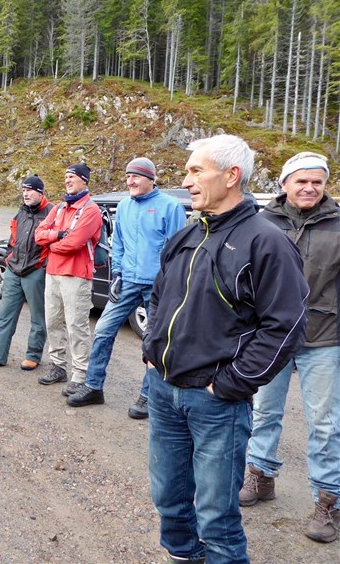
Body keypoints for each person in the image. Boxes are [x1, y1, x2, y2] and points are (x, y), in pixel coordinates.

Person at [143, 135, 309, 564]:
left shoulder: (265, 241)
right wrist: (150, 346)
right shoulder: (186, 234)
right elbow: (159, 294)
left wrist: (233, 383)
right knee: (170, 500)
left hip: (215, 401)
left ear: (232, 176)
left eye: (196, 171)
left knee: (216, 515)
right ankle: (183, 556)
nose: (186, 180)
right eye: (187, 172)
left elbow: (285, 325)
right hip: (163, 390)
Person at [239, 152, 340, 543]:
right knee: (264, 410)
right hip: (272, 335)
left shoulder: (337, 222)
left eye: (317, 181)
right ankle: (261, 476)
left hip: (324, 335)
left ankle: (328, 501)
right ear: (284, 184)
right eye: (301, 181)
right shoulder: (263, 222)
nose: (309, 188)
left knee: (326, 424)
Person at [66, 158, 185, 419]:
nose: (130, 181)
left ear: (151, 179)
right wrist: (117, 273)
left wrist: (168, 283)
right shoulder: (125, 206)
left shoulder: (170, 207)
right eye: (128, 176)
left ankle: (149, 396)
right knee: (103, 330)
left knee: (155, 341)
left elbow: (177, 250)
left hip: (157, 285)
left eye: (136, 177)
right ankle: (94, 386)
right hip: (128, 280)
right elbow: (117, 243)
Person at [33, 163, 102, 387]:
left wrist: (52, 245)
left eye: (72, 176)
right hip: (53, 273)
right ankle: (58, 366)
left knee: (76, 326)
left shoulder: (90, 210)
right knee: (53, 322)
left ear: (84, 180)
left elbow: (74, 243)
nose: (67, 180)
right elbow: (39, 234)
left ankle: (79, 375)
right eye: (65, 177)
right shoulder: (60, 207)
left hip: (76, 275)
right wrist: (58, 235)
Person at [0, 175, 53, 371]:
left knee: (38, 318)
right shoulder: (21, 213)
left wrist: (43, 266)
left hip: (35, 271)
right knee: (4, 316)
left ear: (40, 192)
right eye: (24, 191)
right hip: (13, 269)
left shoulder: (52, 213)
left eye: (29, 190)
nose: (26, 194)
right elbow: (13, 238)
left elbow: (54, 242)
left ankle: (33, 356)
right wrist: (10, 257)